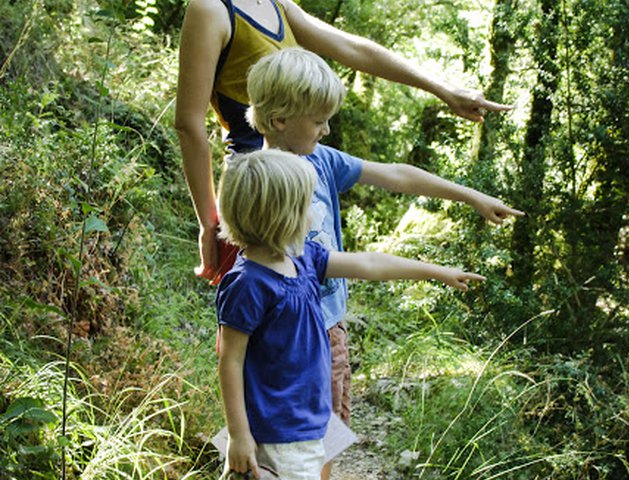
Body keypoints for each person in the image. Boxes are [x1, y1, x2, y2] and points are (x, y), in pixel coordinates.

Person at [244, 47, 524, 479]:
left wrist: (471, 195)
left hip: (328, 325)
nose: (326, 128)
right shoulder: (253, 181)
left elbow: (397, 175)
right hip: (280, 334)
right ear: (280, 119)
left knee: (328, 433)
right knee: (281, 441)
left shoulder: (323, 160)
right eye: (318, 121)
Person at [174, 0, 514, 281]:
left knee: (311, 315)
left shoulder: (278, 5)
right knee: (262, 324)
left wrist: (443, 90)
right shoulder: (211, 9)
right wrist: (209, 222)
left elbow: (352, 48)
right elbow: (190, 123)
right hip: (259, 193)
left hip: (301, 175)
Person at [216, 149, 486, 479]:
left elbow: (369, 263)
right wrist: (238, 435)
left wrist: (436, 271)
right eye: (305, 209)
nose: (313, 219)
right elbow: (230, 360)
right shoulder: (248, 283)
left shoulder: (303, 258)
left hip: (309, 422)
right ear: (278, 216)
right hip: (276, 434)